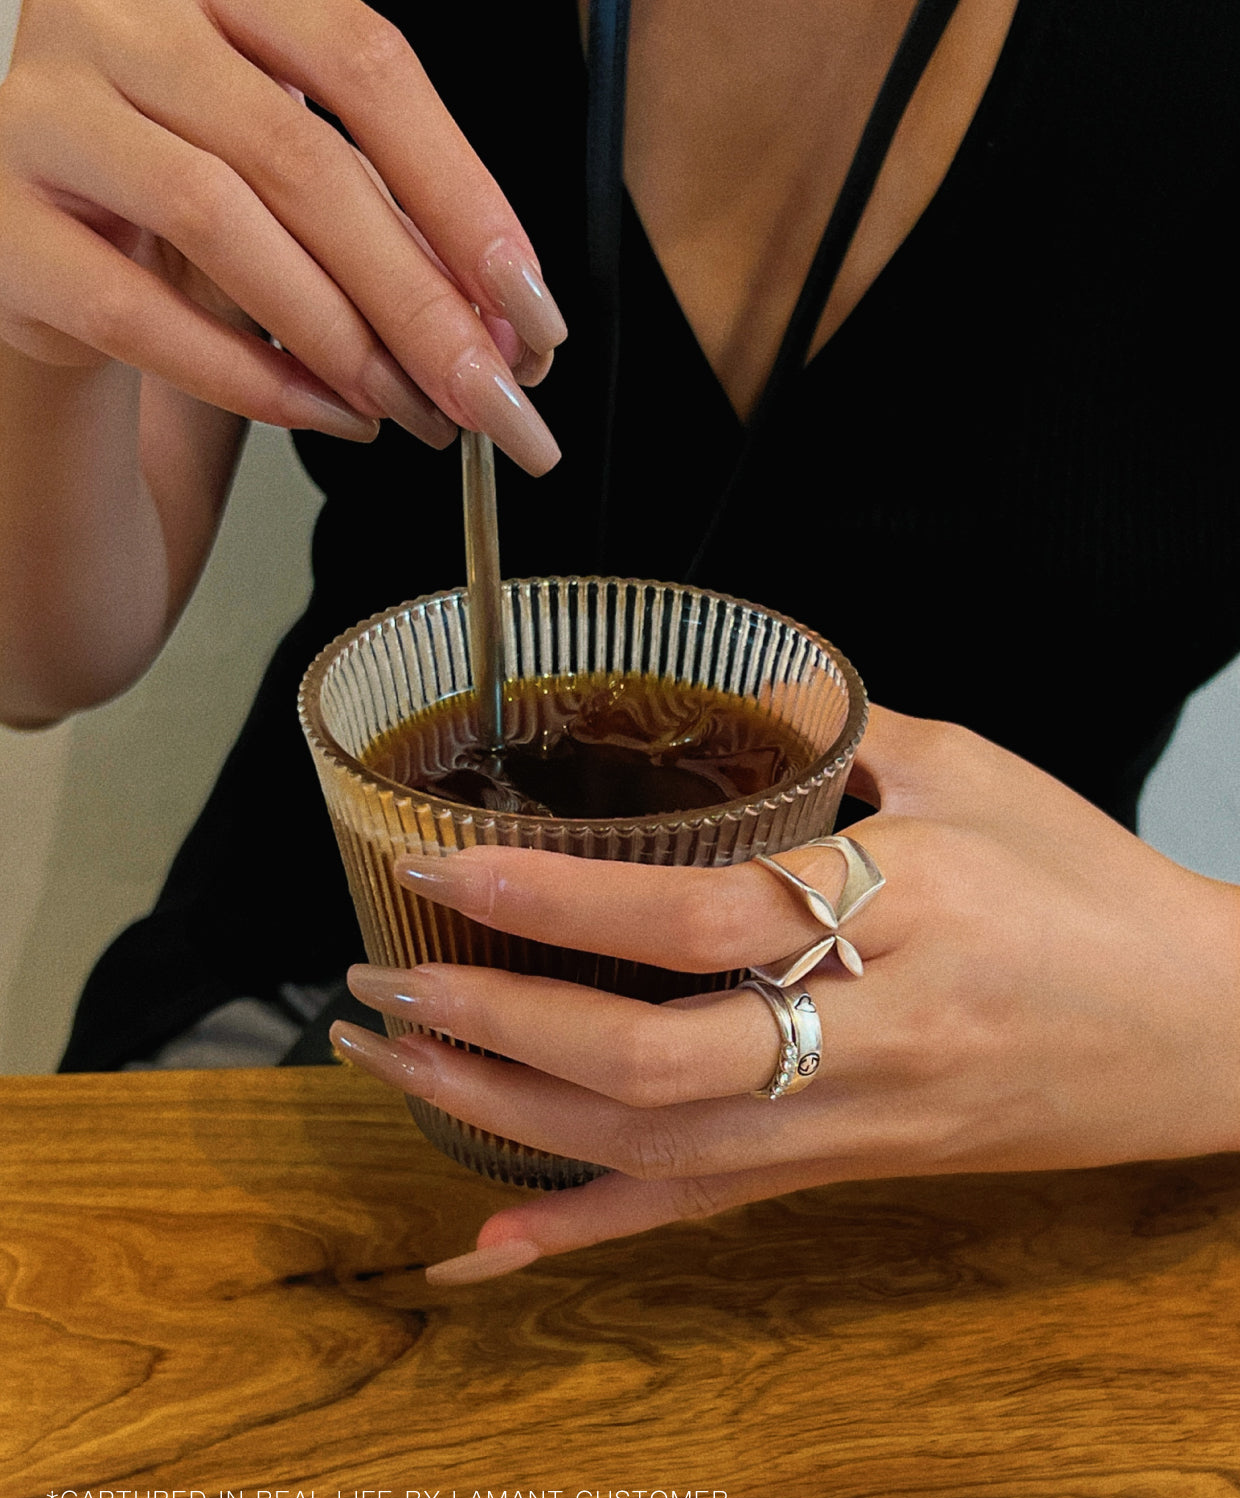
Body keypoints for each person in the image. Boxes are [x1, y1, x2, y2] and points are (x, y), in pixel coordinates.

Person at [1, 0, 1237, 1284]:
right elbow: (36, 662)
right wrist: (40, 306)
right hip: (321, 1053)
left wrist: (1214, 1002)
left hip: (985, 1159)